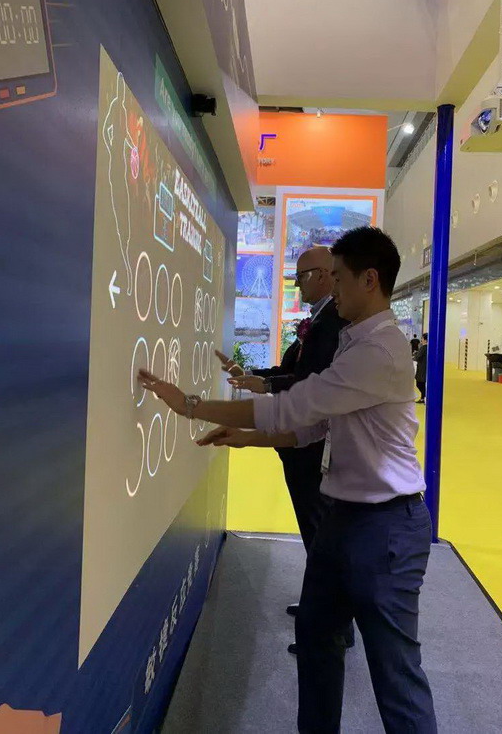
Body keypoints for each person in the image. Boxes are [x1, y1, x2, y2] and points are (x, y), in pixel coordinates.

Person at [139, 226, 437, 734]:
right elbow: (315, 426)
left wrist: (190, 405)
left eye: (338, 278)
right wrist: (247, 438)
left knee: (395, 674)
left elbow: (295, 406)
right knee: (317, 642)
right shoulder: (354, 341)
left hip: (386, 529)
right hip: (342, 520)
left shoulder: (380, 351)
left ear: (369, 280)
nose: (330, 288)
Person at [216, 246, 352, 655]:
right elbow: (293, 371)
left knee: (320, 535)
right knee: (315, 534)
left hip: (311, 447)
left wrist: (266, 386)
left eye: (302, 275)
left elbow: (312, 383)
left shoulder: (333, 324)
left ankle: (331, 625)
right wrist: (255, 376)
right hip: (301, 444)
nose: (296, 283)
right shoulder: (319, 321)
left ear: (325, 274)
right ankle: (324, 613)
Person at [415, 333, 428, 404]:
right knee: (423, 384)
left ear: (425, 340)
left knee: (419, 384)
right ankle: (423, 398)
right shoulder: (429, 347)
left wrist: (415, 355)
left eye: (422, 338)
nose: (421, 340)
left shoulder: (423, 348)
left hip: (421, 368)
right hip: (426, 368)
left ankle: (425, 397)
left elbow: (418, 357)